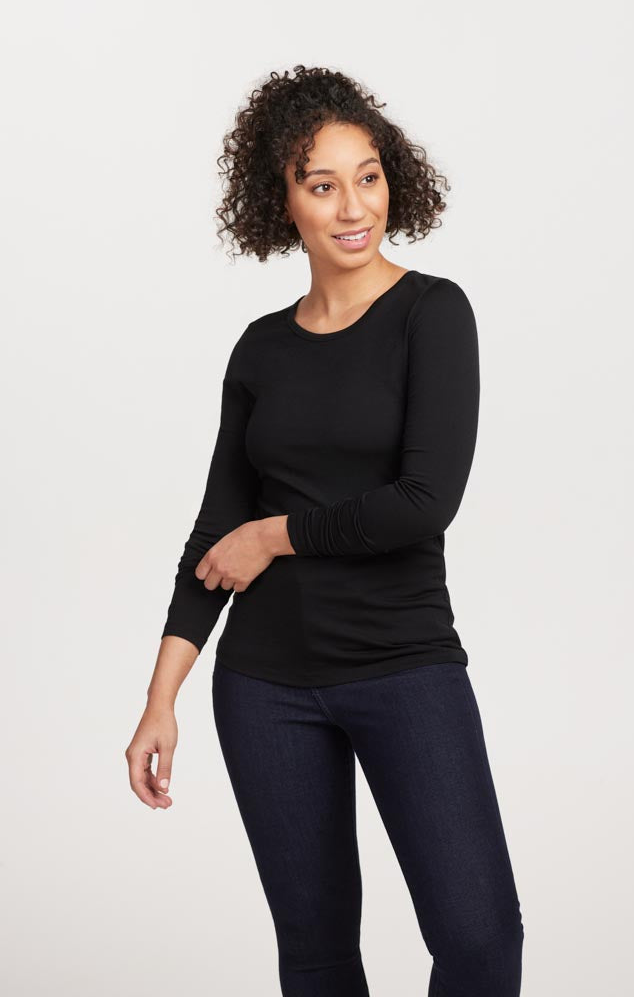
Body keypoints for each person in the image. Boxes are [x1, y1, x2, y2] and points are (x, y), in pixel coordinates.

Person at [126, 64, 525, 997]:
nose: (354, 206)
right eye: (322, 184)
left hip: (405, 664)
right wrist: (161, 698)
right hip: (265, 686)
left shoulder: (432, 314)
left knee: (478, 938)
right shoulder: (261, 348)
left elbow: (423, 501)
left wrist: (276, 537)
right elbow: (216, 526)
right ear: (284, 202)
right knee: (315, 956)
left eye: (369, 176)